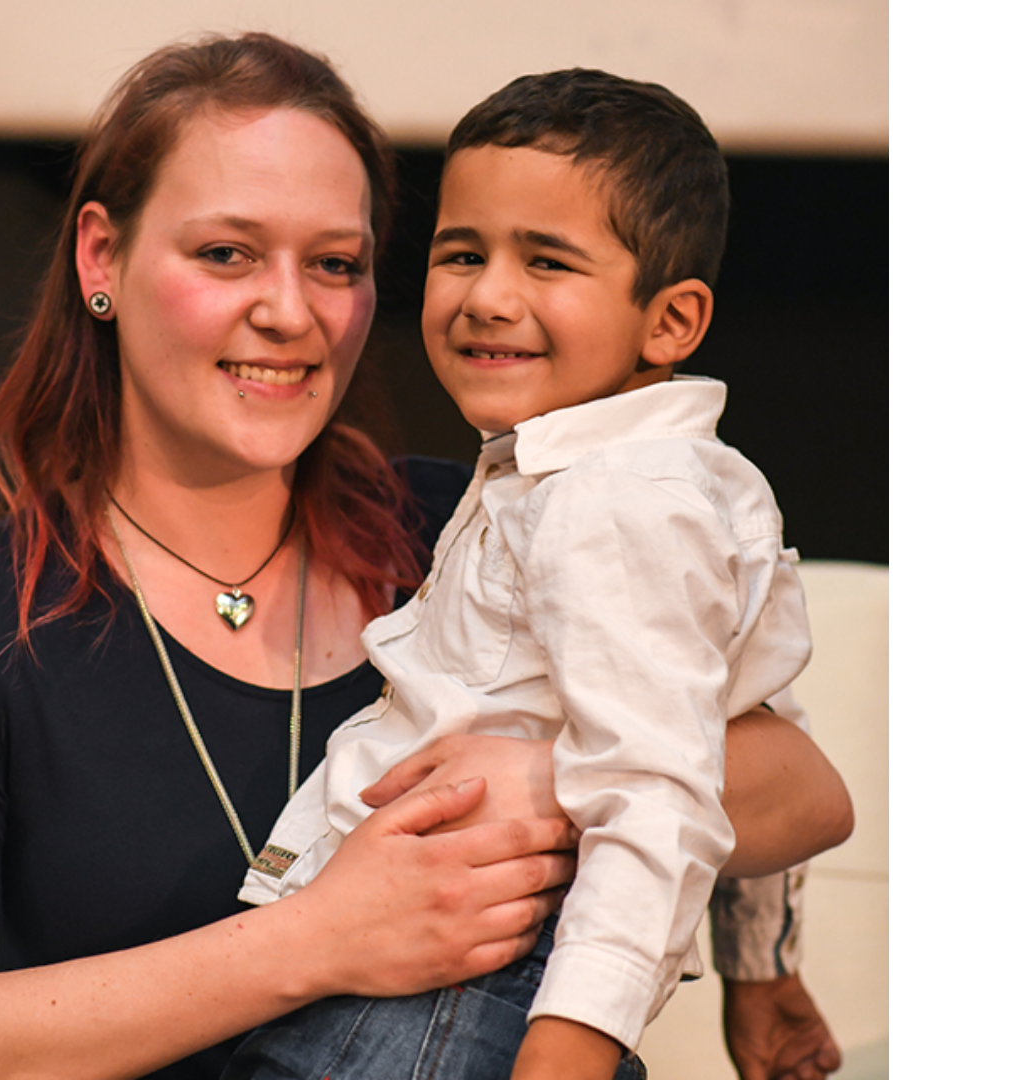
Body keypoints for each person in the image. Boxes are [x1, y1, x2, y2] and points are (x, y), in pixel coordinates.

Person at [0, 33, 852, 1080]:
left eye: (335, 264)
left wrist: (541, 780)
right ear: (102, 259)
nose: (288, 311)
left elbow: (807, 793)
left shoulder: (472, 525)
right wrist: (318, 938)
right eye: (226, 253)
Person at [228, 70, 842, 1080]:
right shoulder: (612, 479)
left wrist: (571, 1050)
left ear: (672, 323)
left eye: (547, 261)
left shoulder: (613, 501)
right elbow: (737, 723)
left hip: (461, 997)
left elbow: (660, 789)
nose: (487, 297)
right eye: (461, 253)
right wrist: (761, 968)